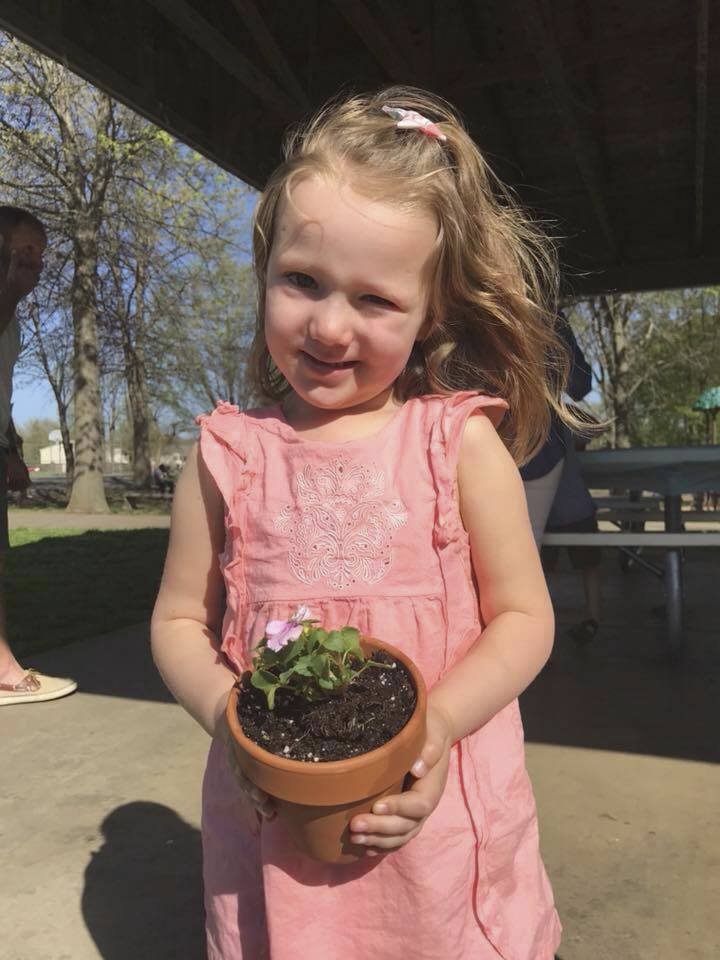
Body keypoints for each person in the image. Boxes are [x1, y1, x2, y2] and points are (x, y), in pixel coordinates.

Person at [151, 87, 573, 960]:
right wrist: (223, 716)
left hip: (435, 809)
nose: (330, 325)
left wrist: (442, 725)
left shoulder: (457, 444)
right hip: (272, 830)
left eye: (375, 301)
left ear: (430, 316)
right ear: (265, 270)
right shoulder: (227, 454)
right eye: (302, 282)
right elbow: (178, 622)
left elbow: (525, 620)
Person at [0, 205, 77, 705]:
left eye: (40, 254)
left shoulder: (14, 329)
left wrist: (14, 449)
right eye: (24, 250)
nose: (36, 262)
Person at [520, 316, 593, 545]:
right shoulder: (550, 319)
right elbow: (579, 384)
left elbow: (579, 385)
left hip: (529, 445)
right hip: (538, 446)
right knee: (526, 552)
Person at [542, 425, 603, 644]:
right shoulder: (563, 419)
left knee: (541, 574)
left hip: (544, 509)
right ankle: (593, 618)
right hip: (576, 506)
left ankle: (541, 628)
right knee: (589, 566)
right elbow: (594, 429)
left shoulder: (524, 418)